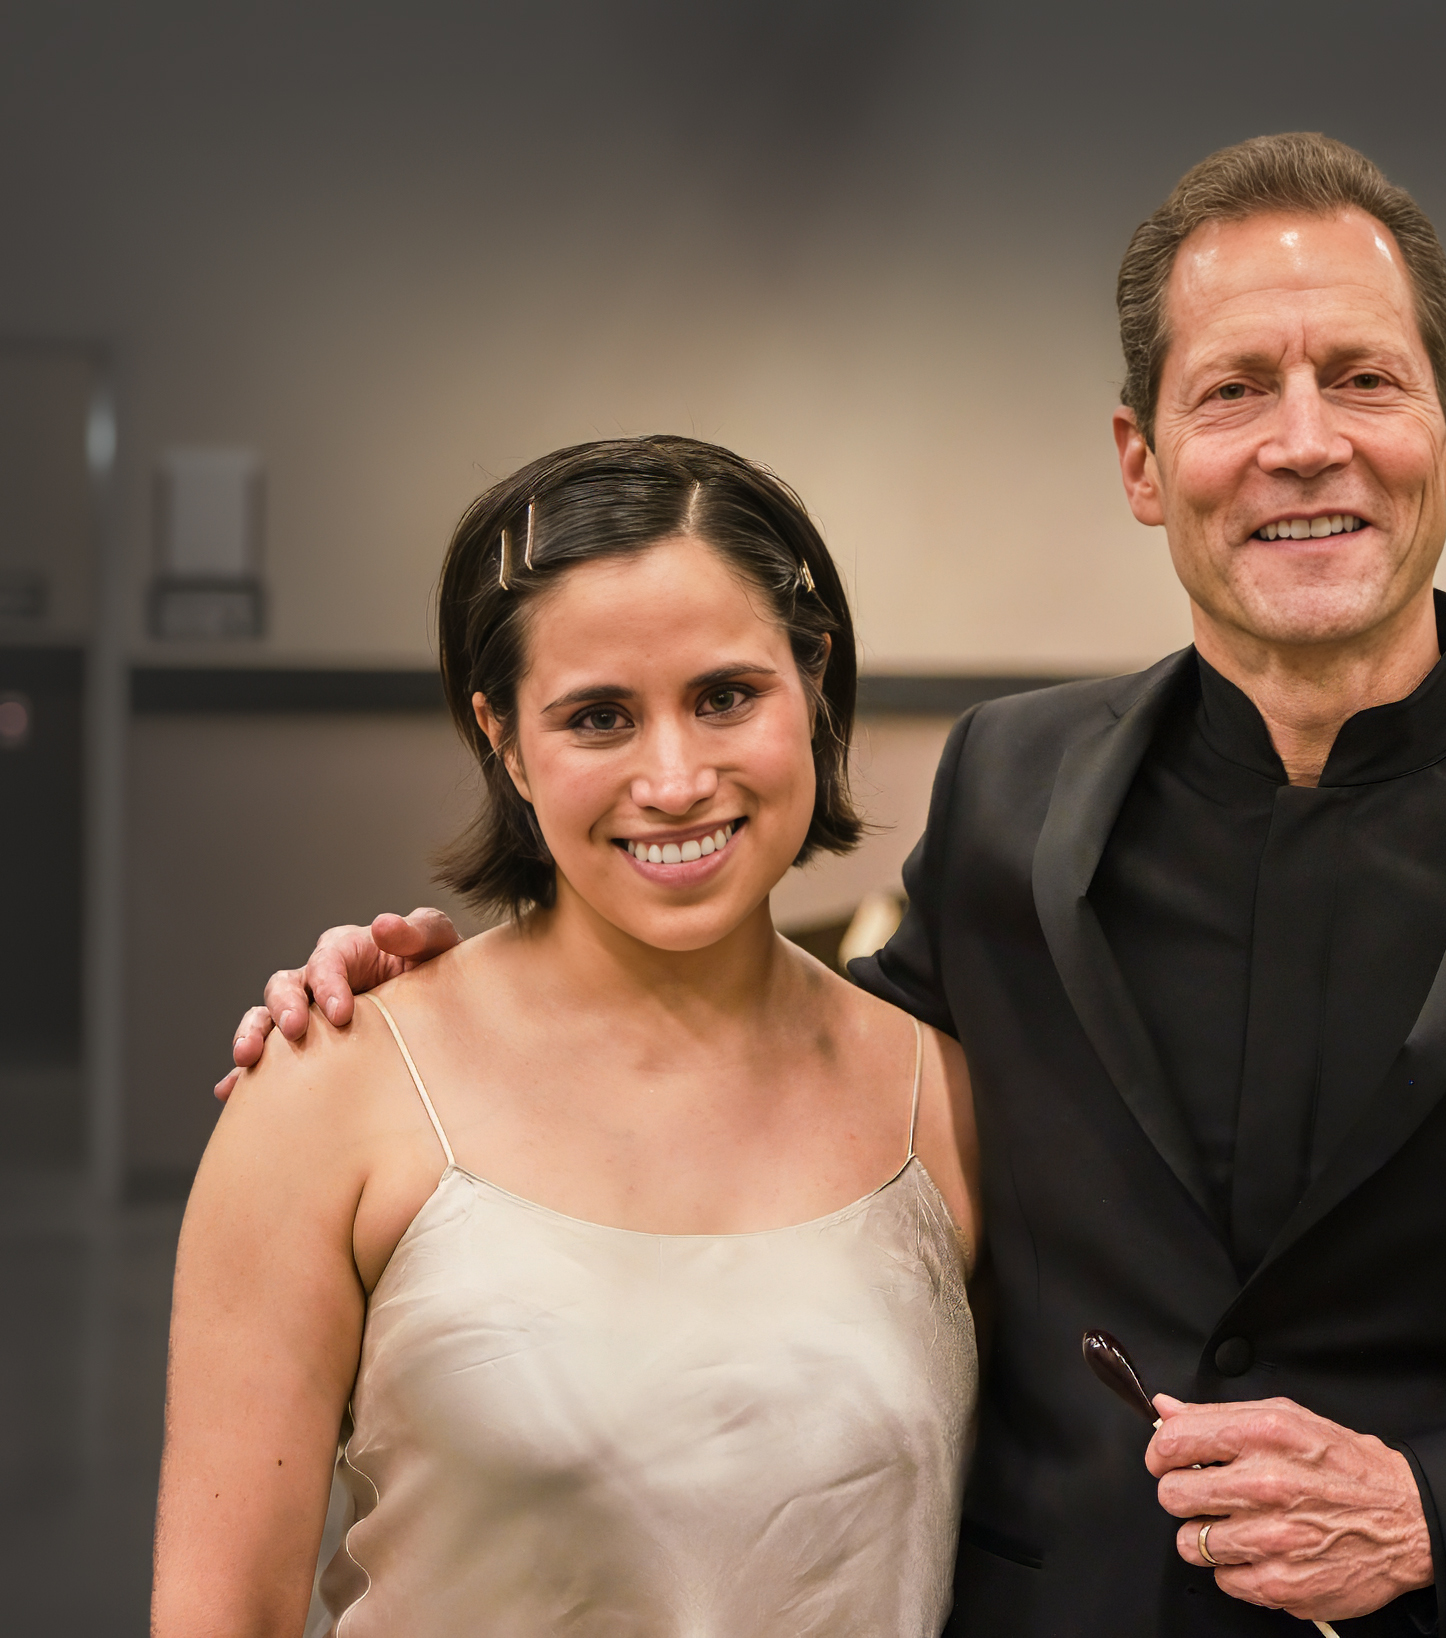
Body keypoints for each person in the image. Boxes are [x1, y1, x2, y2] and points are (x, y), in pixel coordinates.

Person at [225, 134, 1446, 1636]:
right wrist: (460, 998)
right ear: (1139, 461)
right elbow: (782, 1064)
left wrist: (1435, 1513)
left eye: (1361, 376)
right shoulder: (1012, 785)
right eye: (1234, 389)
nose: (1302, 442)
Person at [155, 438, 980, 1635]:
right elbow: (221, 1615)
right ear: (502, 737)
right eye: (598, 717)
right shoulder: (332, 1092)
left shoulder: (943, 1100)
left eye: (724, 696)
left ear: (813, 679)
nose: (673, 777)